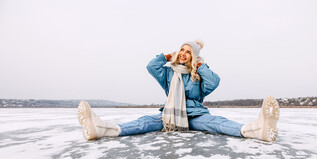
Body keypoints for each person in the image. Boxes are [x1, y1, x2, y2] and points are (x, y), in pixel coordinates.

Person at [78, 40, 280, 142]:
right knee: (144, 122)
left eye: (188, 52)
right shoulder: (168, 74)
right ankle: (103, 129)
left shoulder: (198, 76)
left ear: (194, 57)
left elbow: (215, 82)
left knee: (218, 123)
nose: (183, 54)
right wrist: (166, 56)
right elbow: (151, 67)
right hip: (169, 114)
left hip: (196, 114)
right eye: (182, 50)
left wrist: (200, 65)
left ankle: (257, 129)